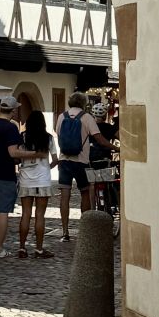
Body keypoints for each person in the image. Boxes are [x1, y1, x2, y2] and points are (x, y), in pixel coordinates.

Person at [0, 96, 46, 259]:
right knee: (2, 212)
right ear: (13, 110)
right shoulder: (10, 128)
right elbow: (13, 153)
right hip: (4, 174)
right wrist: (35, 154)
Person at [55, 91, 115, 241]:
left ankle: (65, 232)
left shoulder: (62, 116)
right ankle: (84, 230)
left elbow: (59, 135)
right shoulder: (86, 117)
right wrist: (116, 148)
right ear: (83, 103)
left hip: (64, 160)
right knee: (85, 193)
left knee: (65, 196)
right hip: (81, 160)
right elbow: (99, 138)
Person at [17, 110, 58, 259]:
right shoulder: (48, 138)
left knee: (25, 214)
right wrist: (47, 167)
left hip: (26, 180)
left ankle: (22, 248)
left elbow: (17, 156)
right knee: (40, 215)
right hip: (42, 179)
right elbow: (55, 159)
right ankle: (39, 249)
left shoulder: (22, 137)